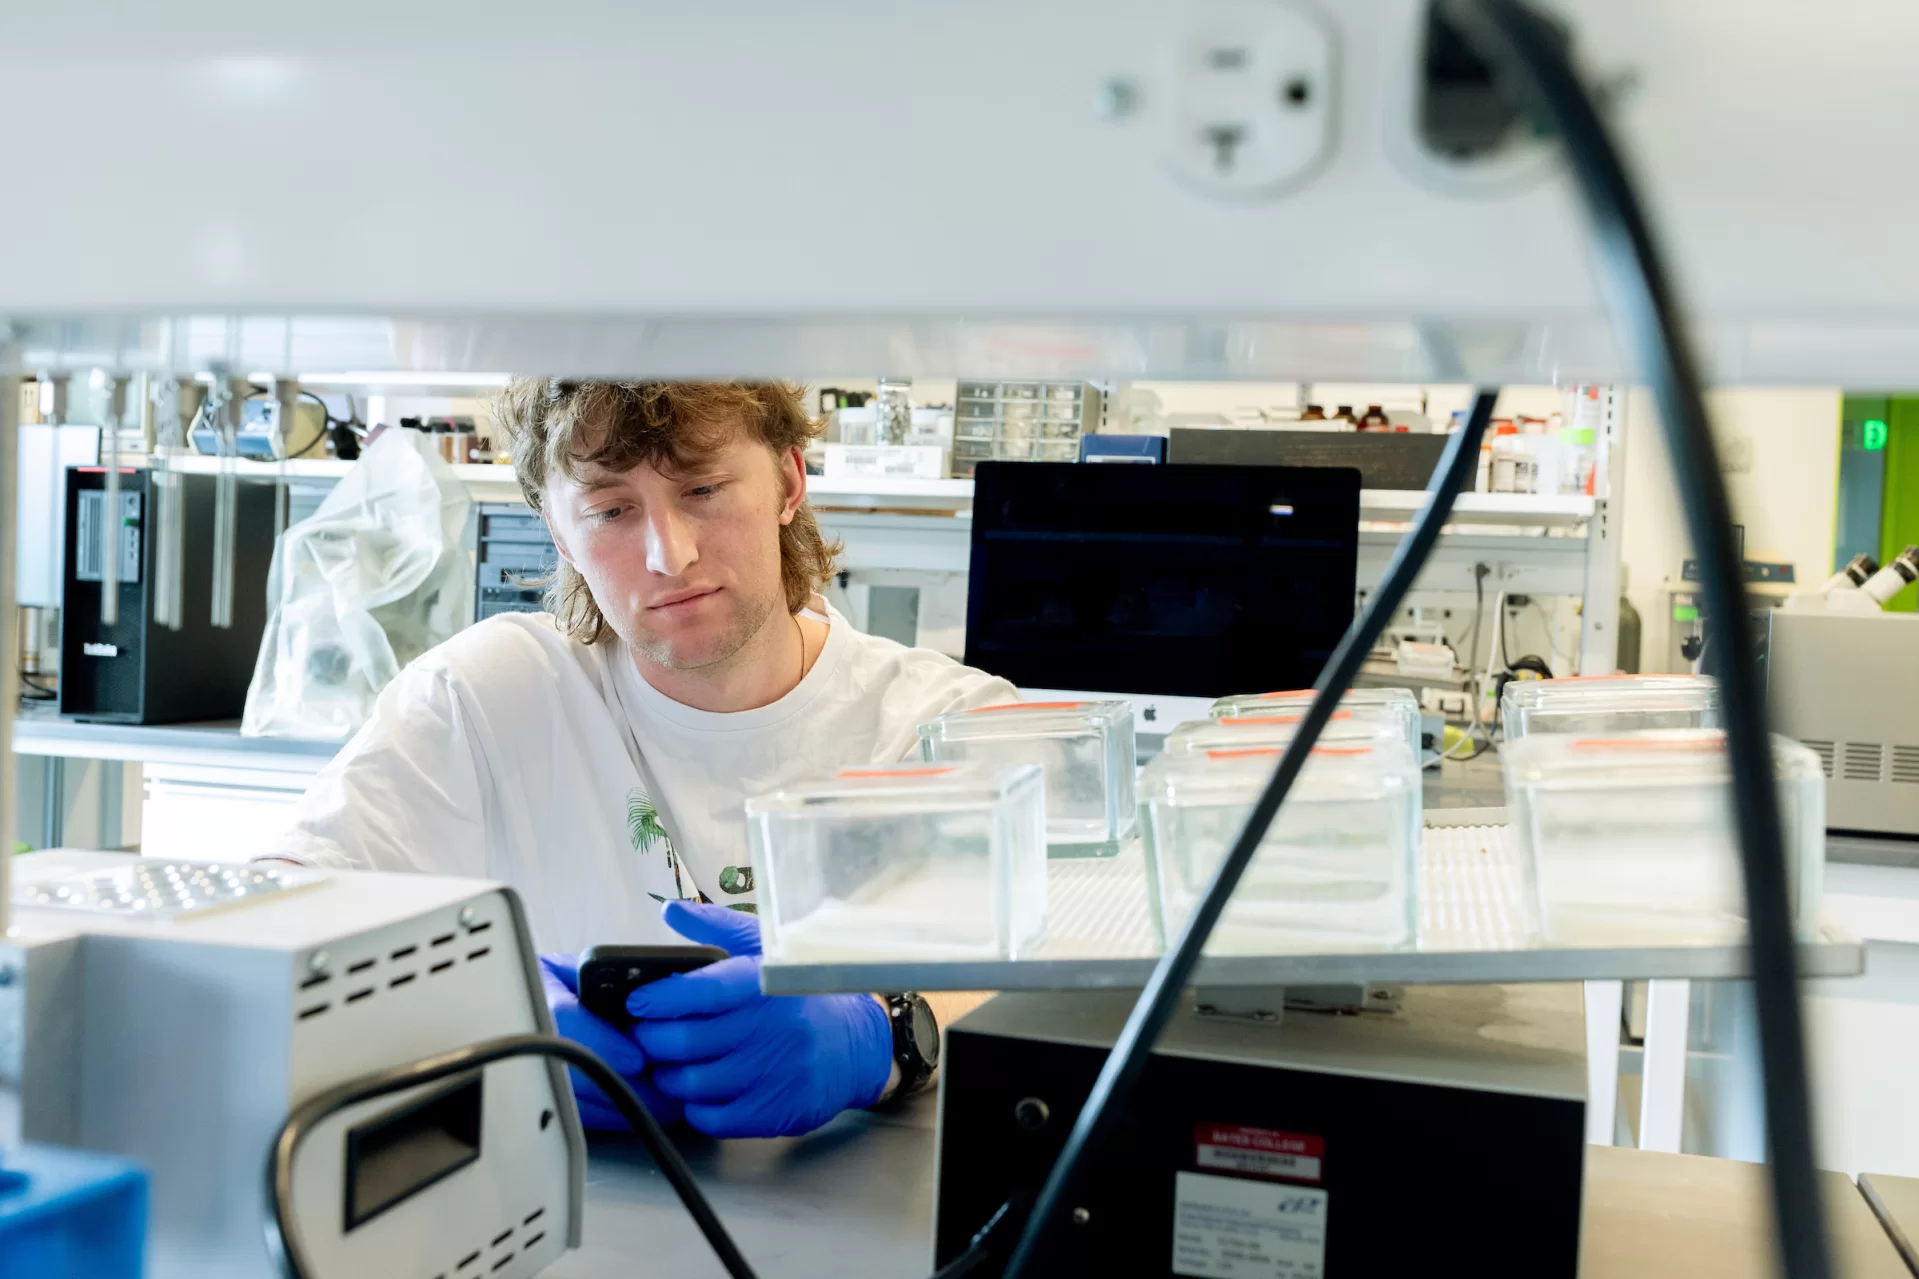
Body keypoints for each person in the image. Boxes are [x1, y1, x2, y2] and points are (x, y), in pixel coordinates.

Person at [267, 379, 1012, 1137]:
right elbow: (273, 932)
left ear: (789, 480)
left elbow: (1085, 979)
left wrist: (886, 1034)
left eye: (703, 487)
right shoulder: (484, 697)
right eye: (611, 510)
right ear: (559, 532)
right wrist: (474, 1014)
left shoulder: (952, 729)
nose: (670, 553)